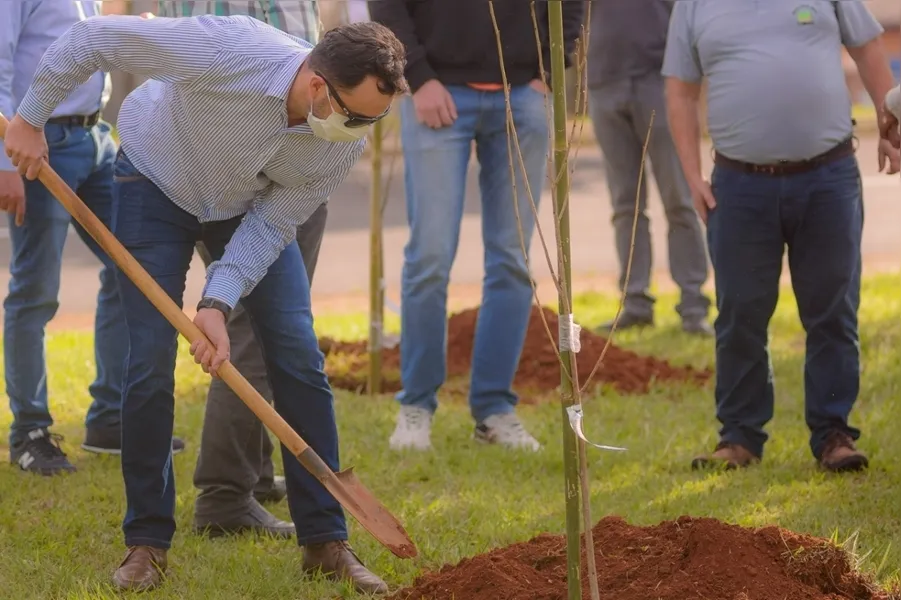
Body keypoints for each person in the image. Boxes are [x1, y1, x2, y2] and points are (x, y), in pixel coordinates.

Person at [3, 14, 406, 594]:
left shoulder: (337, 144)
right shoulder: (229, 49)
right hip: (155, 180)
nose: (363, 128)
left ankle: (325, 541)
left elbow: (272, 222)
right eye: (357, 115)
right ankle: (146, 543)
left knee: (296, 353)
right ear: (318, 85)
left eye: (377, 117)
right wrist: (31, 117)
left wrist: (217, 301)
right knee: (147, 362)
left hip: (246, 203)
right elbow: (96, 38)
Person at [662, 0, 901, 473]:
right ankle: (739, 436)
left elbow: (869, 48)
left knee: (833, 311)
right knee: (740, 312)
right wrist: (692, 175)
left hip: (828, 177)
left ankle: (834, 435)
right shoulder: (692, 5)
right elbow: (680, 91)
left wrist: (890, 122)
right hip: (738, 185)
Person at [368, 0, 584, 452]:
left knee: (513, 259)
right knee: (429, 255)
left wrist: (551, 68)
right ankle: (417, 407)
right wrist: (418, 78)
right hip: (436, 92)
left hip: (523, 93)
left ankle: (494, 410)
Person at [153, 0, 326, 541]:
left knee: (270, 324)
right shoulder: (242, 43)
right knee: (253, 325)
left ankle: (247, 473)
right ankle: (225, 494)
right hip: (249, 147)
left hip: (302, 138)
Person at [0, 0, 184, 477]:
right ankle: (30, 433)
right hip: (38, 145)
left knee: (130, 267)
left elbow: (86, 43)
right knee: (35, 291)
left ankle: (108, 419)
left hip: (97, 139)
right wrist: (4, 163)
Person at [586, 0, 712, 336]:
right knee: (625, 204)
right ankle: (635, 302)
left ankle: (693, 304)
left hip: (658, 82)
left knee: (679, 199)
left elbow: (689, 15)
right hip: (603, 82)